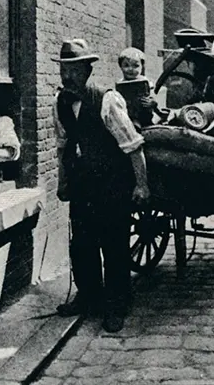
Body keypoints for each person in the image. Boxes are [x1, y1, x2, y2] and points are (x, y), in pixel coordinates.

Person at [52, 38, 150, 333]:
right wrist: (63, 182)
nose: (67, 77)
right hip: (83, 184)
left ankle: (117, 304)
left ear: (87, 71)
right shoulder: (60, 103)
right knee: (81, 244)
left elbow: (133, 146)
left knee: (114, 245)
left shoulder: (107, 100)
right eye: (63, 70)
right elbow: (63, 147)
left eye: (73, 70)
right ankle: (88, 296)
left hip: (112, 183)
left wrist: (141, 186)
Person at [115, 47, 158, 129]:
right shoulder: (120, 83)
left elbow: (154, 98)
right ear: (120, 66)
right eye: (126, 65)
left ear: (142, 67)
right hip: (127, 116)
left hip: (145, 116)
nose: (130, 69)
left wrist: (152, 102)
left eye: (136, 66)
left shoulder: (146, 82)